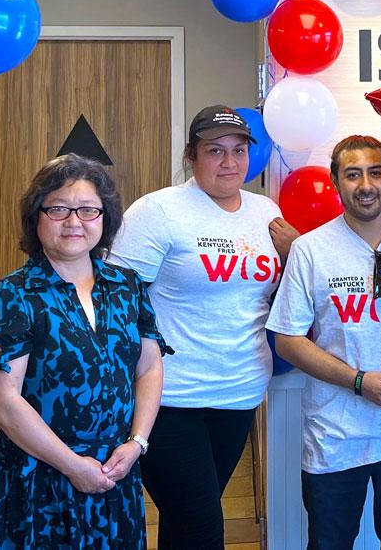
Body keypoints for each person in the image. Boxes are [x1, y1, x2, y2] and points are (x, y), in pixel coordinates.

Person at [108, 105, 298, 548]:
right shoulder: (159, 211)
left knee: (187, 520)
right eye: (215, 151)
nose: (229, 163)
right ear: (192, 155)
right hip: (171, 397)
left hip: (240, 391)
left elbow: (278, 294)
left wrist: (298, 253)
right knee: (202, 527)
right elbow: (117, 298)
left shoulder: (263, 210)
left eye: (237, 150)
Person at [0, 153, 169, 549]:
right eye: (59, 208)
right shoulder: (12, 295)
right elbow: (4, 401)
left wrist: (137, 444)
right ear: (37, 216)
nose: (74, 221)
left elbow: (148, 368)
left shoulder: (127, 286)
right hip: (39, 478)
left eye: (87, 210)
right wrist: (73, 466)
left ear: (105, 218)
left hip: (116, 471)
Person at [268, 134, 381, 550]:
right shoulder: (311, 250)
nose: (366, 185)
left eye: (376, 173)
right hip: (335, 436)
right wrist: (358, 381)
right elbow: (287, 340)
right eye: (353, 174)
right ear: (336, 181)